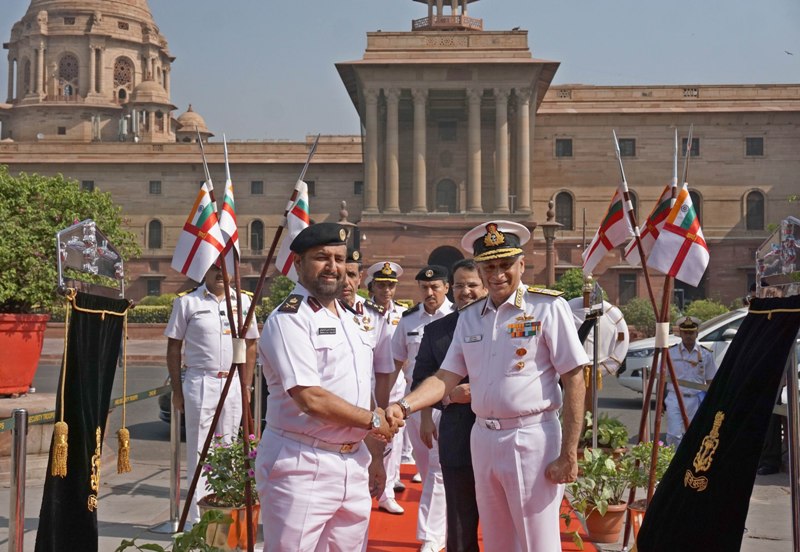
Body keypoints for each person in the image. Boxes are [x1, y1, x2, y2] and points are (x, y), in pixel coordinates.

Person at [387, 220, 589, 551]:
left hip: (531, 437)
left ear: (521, 265)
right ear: (480, 270)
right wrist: (403, 406)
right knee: (497, 540)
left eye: (505, 264)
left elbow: (574, 377)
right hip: (482, 437)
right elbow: (444, 377)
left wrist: (569, 452)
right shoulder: (470, 318)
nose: (497, 274)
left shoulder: (548, 308)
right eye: (489, 266)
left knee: (536, 542)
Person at [255, 222, 398, 551]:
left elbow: (362, 392)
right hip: (302, 463)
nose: (333, 267)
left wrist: (376, 456)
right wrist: (375, 420)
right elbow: (310, 398)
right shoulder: (289, 319)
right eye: (322, 257)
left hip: (352, 462)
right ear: (297, 264)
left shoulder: (351, 319)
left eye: (339, 259)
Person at [165, 261, 259, 524]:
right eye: (214, 268)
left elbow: (251, 346)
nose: (220, 274)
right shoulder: (187, 303)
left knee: (228, 447)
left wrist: (247, 385)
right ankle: (199, 521)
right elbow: (174, 348)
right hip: (200, 381)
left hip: (232, 382)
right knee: (199, 450)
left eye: (225, 268)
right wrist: (177, 390)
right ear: (204, 271)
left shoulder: (242, 302)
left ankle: (224, 516)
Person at [412, 259, 487, 552]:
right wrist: (437, 407)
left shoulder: (506, 324)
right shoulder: (437, 331)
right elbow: (421, 379)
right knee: (459, 515)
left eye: (472, 285)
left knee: (502, 517)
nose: (465, 291)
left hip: (500, 433)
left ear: (485, 286)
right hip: (457, 430)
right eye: (459, 285)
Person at [391, 264, 453, 552]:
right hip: (413, 402)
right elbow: (394, 363)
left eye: (435, 287)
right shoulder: (408, 321)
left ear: (446, 288)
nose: (429, 293)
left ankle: (430, 536)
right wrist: (385, 404)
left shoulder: (459, 317)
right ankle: (444, 526)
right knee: (427, 469)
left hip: (448, 402)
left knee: (440, 468)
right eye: (425, 288)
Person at [366, 260, 409, 514]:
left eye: (391, 285)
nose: (386, 291)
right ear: (372, 286)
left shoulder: (403, 314)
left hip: (395, 386)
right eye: (382, 285)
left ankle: (387, 491)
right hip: (367, 384)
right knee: (366, 436)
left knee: (393, 437)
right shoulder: (361, 312)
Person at [665, 315, 718, 446]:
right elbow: (662, 380)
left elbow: (711, 381)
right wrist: (660, 402)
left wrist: (711, 403)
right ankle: (673, 463)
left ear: (697, 333)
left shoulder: (706, 354)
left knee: (695, 435)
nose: (688, 336)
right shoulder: (670, 353)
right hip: (675, 398)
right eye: (685, 333)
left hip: (696, 399)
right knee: (673, 435)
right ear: (680, 333)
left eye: (691, 332)